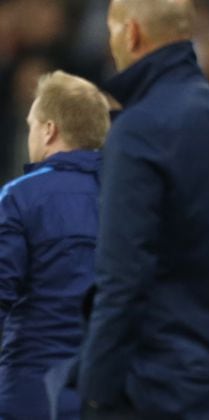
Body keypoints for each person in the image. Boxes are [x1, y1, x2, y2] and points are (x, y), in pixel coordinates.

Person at [77, 0, 209, 419]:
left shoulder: (138, 130)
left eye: (112, 32)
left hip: (149, 389)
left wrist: (94, 390)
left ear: (130, 33)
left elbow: (122, 276)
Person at [0, 70, 109, 420]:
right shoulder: (131, 200)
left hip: (32, 388)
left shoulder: (20, 198)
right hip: (112, 388)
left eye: (32, 124)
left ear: (49, 129)